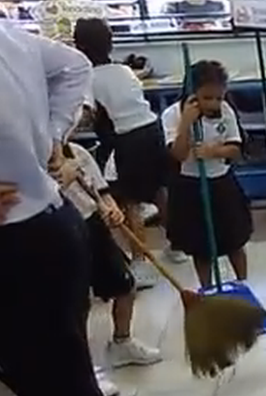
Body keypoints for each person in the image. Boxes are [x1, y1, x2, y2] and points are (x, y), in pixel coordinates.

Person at [0, 22, 134, 396]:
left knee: (60, 374)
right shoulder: (12, 37)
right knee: (30, 372)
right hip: (39, 226)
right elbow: (73, 66)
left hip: (27, 233)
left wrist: (50, 140)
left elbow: (74, 68)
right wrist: (52, 137)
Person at [73, 18, 185, 292]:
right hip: (152, 130)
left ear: (79, 46)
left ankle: (141, 264)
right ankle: (177, 245)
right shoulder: (124, 70)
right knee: (159, 190)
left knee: (129, 201)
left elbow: (88, 114)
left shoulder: (87, 75)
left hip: (127, 139)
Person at [59, 140, 163, 396]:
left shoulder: (78, 152)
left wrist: (112, 208)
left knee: (126, 285)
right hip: (61, 231)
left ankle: (122, 342)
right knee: (77, 303)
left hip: (92, 223)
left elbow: (102, 192)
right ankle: (81, 367)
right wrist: (63, 176)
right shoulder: (33, 159)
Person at [162, 60, 253, 287]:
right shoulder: (172, 115)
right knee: (201, 248)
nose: (214, 103)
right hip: (190, 186)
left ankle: (243, 284)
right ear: (192, 94)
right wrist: (186, 123)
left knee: (234, 241)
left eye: (218, 97)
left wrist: (213, 150)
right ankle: (207, 289)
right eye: (207, 98)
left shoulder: (226, 111)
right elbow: (179, 155)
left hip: (221, 183)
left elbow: (235, 149)